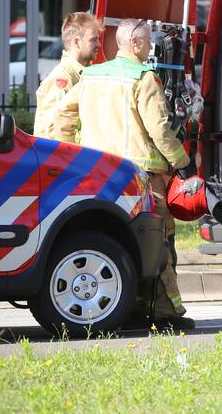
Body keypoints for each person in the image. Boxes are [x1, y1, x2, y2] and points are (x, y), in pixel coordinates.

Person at [50, 18, 196, 331]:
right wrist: (182, 162)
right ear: (136, 44)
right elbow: (159, 129)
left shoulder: (91, 76)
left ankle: (127, 307)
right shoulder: (143, 78)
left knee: (119, 243)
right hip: (141, 178)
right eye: (147, 42)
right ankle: (165, 313)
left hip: (99, 176)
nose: (151, 47)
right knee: (159, 245)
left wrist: (70, 155)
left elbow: (62, 114)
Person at [32, 12, 102, 138]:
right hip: (63, 156)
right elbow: (54, 131)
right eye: (94, 40)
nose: (99, 45)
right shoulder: (62, 78)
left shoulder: (80, 74)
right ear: (76, 42)